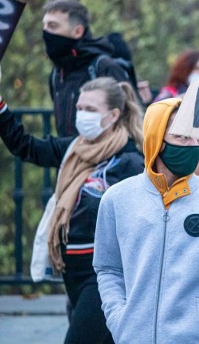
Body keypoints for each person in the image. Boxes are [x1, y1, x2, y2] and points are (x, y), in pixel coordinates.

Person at [0, 76, 144, 343]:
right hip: (71, 271)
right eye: (79, 108)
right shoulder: (74, 150)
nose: (82, 115)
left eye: (90, 110)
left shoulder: (131, 162)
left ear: (113, 115)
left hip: (103, 274)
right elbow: (25, 146)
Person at [93, 98, 199, 344]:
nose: (192, 146)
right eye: (181, 137)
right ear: (156, 139)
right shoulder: (116, 199)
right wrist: (120, 321)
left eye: (195, 138)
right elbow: (108, 268)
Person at [43, 0, 134, 137]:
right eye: (45, 26)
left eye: (53, 26)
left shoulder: (104, 67)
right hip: (72, 157)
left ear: (78, 31)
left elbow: (131, 122)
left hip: (106, 155)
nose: (46, 32)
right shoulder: (57, 73)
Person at [153, 49, 199, 183]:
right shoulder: (170, 94)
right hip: (185, 169)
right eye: (197, 68)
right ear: (185, 71)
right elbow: (154, 119)